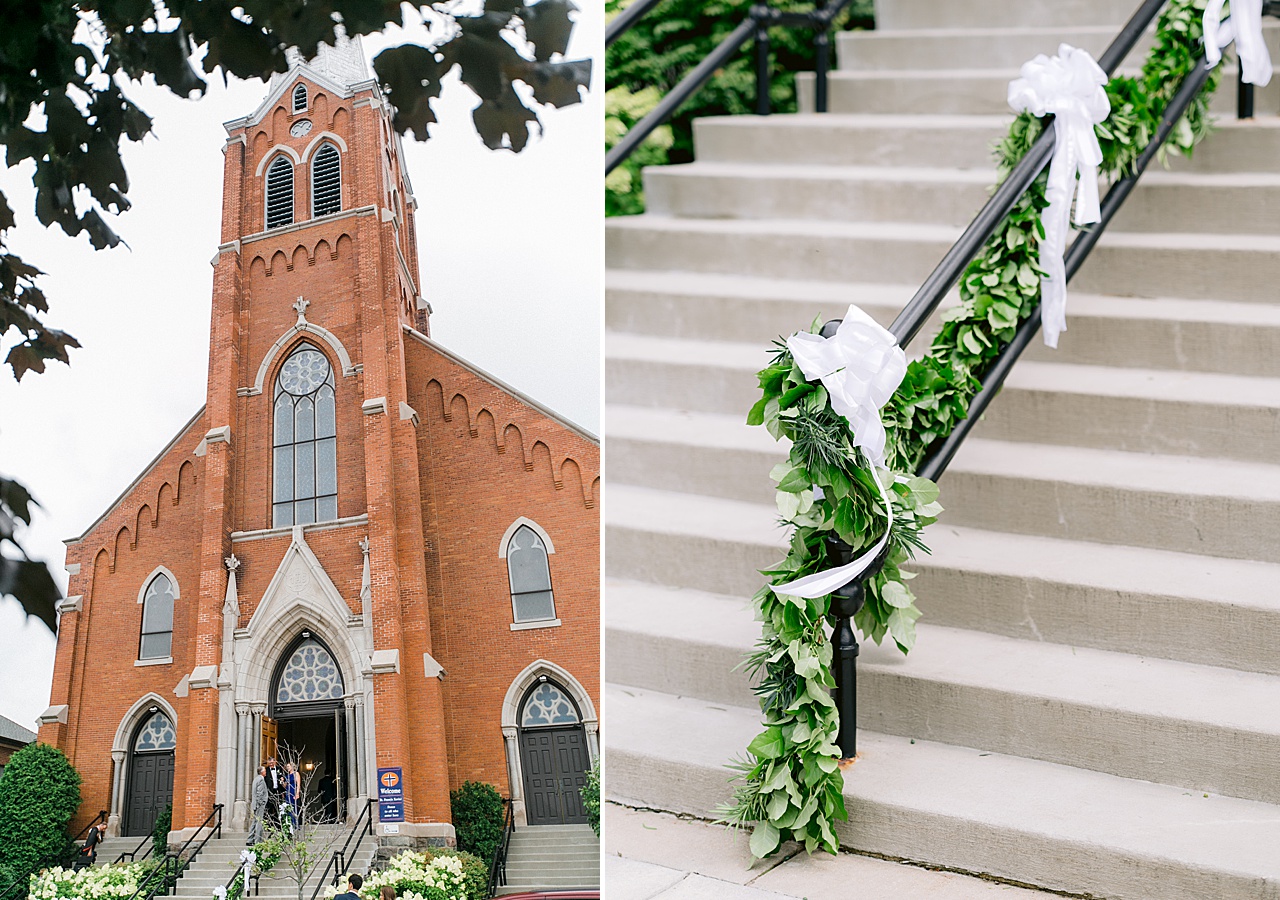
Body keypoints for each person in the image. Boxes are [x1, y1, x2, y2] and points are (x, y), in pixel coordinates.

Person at [249, 765, 268, 845]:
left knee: (255, 821)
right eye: (265, 771)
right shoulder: (260, 780)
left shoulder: (256, 779)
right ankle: (257, 840)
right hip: (259, 804)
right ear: (262, 772)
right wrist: (262, 802)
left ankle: (249, 839)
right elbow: (259, 793)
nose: (266, 772)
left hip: (256, 804)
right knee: (259, 822)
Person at [265, 756, 284, 826]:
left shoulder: (279, 769)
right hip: (269, 791)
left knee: (278, 808)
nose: (271, 764)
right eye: (270, 763)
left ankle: (278, 824)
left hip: (277, 791)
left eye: (272, 762)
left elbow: (282, 778)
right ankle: (269, 824)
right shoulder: (266, 770)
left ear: (275, 762)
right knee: (269, 808)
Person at [283, 762, 299, 833]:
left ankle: (296, 824)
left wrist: (297, 793)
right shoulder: (287, 775)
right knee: (289, 808)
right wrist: (282, 782)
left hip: (293, 791)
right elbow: (285, 786)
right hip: (288, 792)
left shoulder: (296, 774)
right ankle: (290, 824)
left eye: (289, 766)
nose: (288, 768)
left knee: (294, 808)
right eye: (287, 767)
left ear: (292, 767)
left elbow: (298, 784)